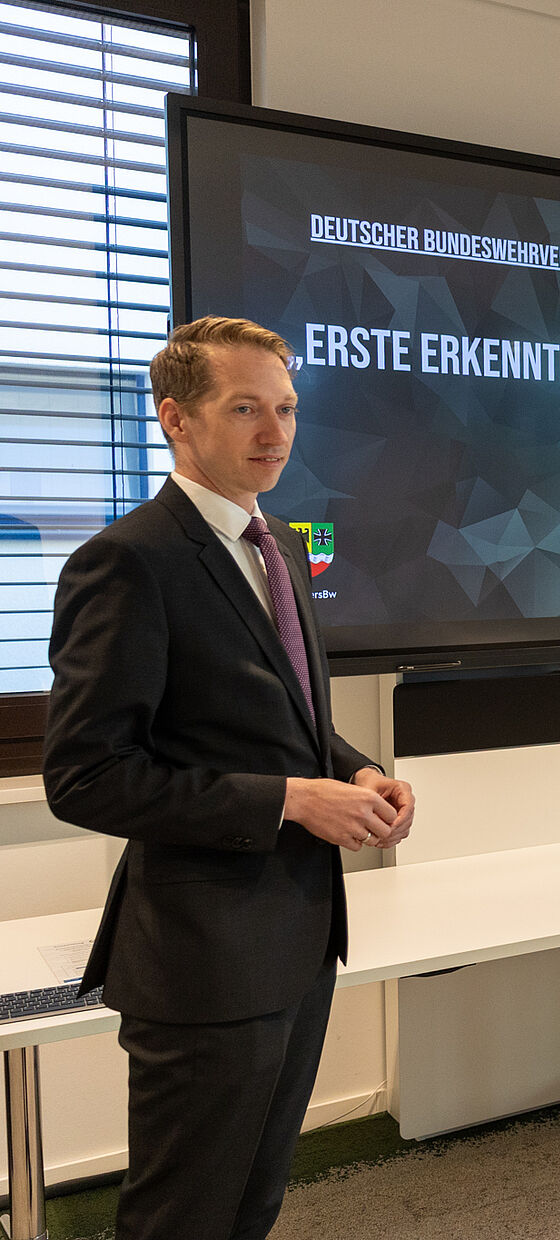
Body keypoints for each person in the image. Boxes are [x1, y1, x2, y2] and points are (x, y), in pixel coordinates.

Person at [42, 316, 415, 1240]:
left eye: (285, 408)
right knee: (183, 1217)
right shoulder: (128, 561)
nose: (275, 430)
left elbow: (285, 719)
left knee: (252, 1203)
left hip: (297, 938)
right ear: (176, 417)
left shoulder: (279, 544)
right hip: (202, 961)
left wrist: (357, 769)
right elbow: (86, 776)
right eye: (245, 407)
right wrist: (293, 800)